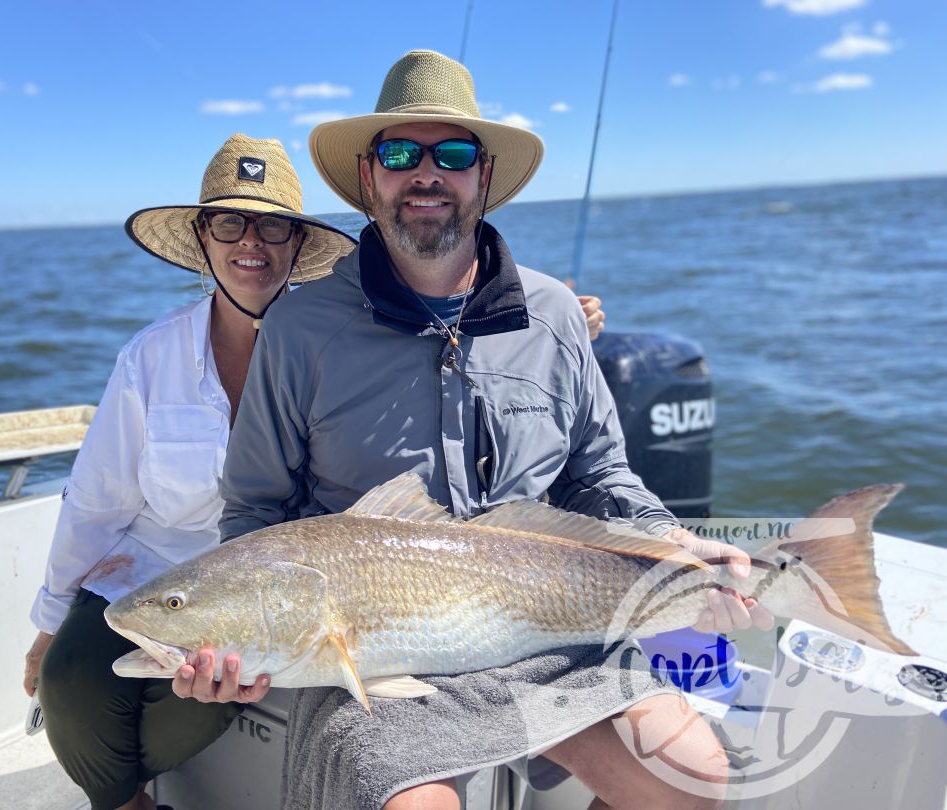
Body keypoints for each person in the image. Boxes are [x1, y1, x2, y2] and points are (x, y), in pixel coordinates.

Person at [177, 51, 772, 810]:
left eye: (453, 154)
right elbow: (255, 512)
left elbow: (600, 476)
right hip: (375, 643)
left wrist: (673, 546)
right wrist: (238, 633)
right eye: (400, 153)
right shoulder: (301, 326)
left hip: (550, 623)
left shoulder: (554, 314)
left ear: (483, 177)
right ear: (369, 178)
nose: (426, 173)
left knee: (691, 778)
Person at [22, 134, 356, 810]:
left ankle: (121, 788)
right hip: (148, 570)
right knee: (69, 684)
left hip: (263, 596)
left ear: (296, 244)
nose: (250, 242)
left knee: (198, 701)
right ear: (204, 238)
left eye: (273, 225)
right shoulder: (150, 356)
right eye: (229, 221)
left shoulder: (334, 351)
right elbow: (96, 501)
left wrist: (544, 322)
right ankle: (126, 801)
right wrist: (52, 622)